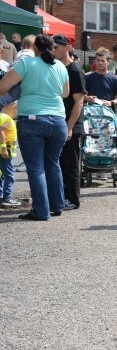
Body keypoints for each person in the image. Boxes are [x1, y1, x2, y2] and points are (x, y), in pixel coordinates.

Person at [0, 34, 69, 221]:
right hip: (58, 120)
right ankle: (57, 205)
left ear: (34, 48)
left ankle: (41, 211)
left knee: (35, 167)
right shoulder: (61, 66)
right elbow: (65, 93)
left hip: (32, 119)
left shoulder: (27, 63)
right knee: (53, 163)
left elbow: (3, 86)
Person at [53, 34, 86, 210]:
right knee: (58, 162)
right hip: (58, 121)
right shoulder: (56, 67)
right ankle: (60, 196)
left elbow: (79, 101)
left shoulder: (74, 70)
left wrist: (69, 126)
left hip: (70, 123)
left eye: (57, 46)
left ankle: (72, 199)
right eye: (53, 46)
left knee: (70, 163)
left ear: (67, 47)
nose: (54, 49)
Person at [0, 104, 19, 208]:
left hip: (3, 149)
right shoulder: (6, 118)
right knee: (9, 174)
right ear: (10, 107)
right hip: (5, 150)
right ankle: (7, 197)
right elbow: (1, 132)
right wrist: (3, 148)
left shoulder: (2, 117)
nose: (16, 111)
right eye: (16, 109)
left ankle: (1, 197)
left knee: (1, 174)